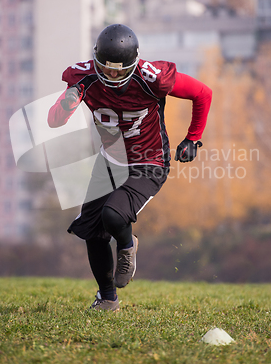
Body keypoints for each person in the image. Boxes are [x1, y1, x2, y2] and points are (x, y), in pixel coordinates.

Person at [48, 24, 212, 311]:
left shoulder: (152, 78)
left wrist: (193, 138)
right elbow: (54, 121)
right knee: (92, 231)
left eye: (119, 71)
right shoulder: (83, 77)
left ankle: (127, 245)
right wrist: (67, 102)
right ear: (96, 60)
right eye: (106, 69)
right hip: (110, 161)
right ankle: (107, 298)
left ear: (133, 65)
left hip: (148, 162)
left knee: (113, 215)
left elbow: (203, 93)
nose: (112, 76)